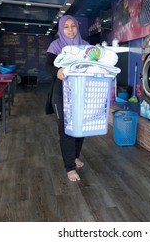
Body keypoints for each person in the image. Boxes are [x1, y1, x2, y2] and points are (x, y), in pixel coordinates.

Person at [45, 15, 89, 182]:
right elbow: (47, 66)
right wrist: (57, 71)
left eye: (73, 26)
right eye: (66, 27)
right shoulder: (56, 45)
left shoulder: (85, 46)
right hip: (60, 93)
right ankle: (69, 167)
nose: (70, 30)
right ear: (61, 29)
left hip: (81, 92)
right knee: (66, 129)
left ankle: (75, 156)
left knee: (80, 127)